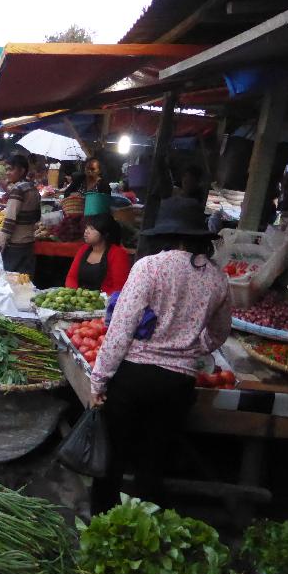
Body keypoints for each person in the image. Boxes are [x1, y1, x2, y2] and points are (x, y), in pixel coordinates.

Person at [89, 197, 231, 514]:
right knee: (153, 464)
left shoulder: (149, 267)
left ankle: (102, 524)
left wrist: (98, 379)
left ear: (165, 234)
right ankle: (146, 534)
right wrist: (192, 346)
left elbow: (122, 327)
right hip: (178, 384)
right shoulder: (216, 278)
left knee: (112, 459)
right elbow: (221, 333)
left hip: (133, 378)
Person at [0, 154, 41, 274]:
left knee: (12, 281)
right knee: (24, 281)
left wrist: (0, 244)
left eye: (11, 169)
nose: (8, 173)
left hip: (15, 244)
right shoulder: (33, 188)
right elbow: (37, 216)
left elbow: (10, 219)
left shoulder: (18, 190)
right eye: (7, 170)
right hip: (29, 242)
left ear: (22, 171)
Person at [65, 214, 131, 293]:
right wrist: (77, 294)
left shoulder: (118, 254)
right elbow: (71, 277)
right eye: (86, 228)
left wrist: (97, 299)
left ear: (105, 234)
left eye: (92, 229)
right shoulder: (83, 249)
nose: (86, 231)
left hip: (105, 301)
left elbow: (119, 287)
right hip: (80, 299)